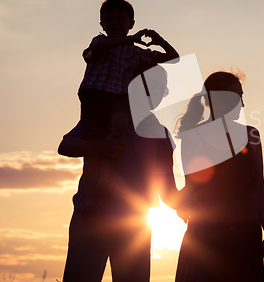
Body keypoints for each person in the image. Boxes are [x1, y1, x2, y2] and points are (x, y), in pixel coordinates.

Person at [60, 64, 181, 282]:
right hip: (91, 217)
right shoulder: (105, 118)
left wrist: (197, 202)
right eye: (149, 86)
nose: (154, 94)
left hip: (135, 225)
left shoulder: (160, 134)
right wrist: (101, 147)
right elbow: (66, 146)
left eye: (160, 89)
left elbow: (167, 191)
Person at [174, 71, 264, 282]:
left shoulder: (251, 135)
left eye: (241, 96)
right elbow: (191, 187)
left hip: (247, 234)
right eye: (236, 97)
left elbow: (260, 187)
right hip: (207, 236)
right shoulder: (194, 136)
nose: (242, 104)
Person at [78, 0, 179, 207]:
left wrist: (158, 39)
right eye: (109, 19)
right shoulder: (99, 42)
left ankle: (106, 178)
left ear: (131, 23)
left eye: (120, 18)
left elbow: (173, 57)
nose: (114, 22)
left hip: (116, 97)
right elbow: (95, 50)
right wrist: (130, 39)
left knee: (121, 125)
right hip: (94, 97)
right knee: (92, 152)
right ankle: (90, 198)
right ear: (102, 25)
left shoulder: (134, 53)